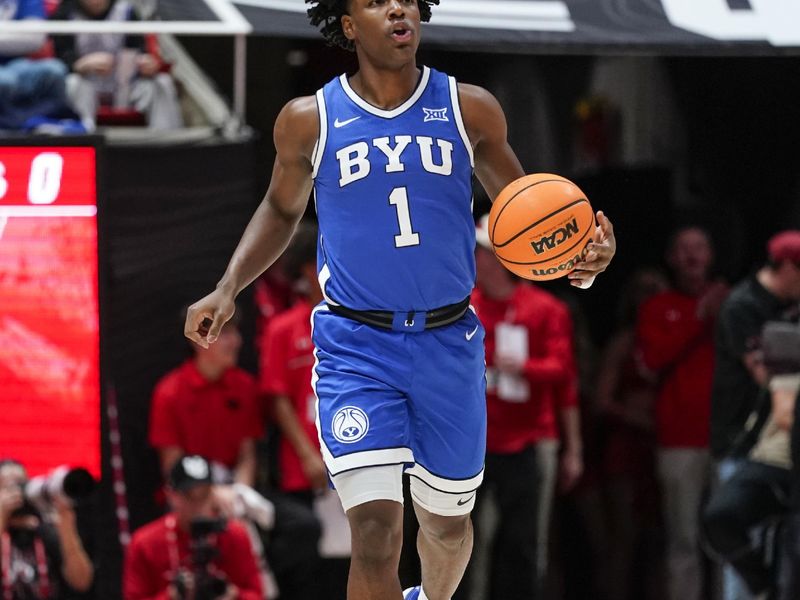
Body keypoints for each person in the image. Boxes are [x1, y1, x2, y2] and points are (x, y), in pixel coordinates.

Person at [183, 2, 617, 599]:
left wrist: (582, 264)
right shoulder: (310, 119)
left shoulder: (470, 109)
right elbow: (282, 209)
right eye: (376, 0)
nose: (397, 8)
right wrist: (228, 286)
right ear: (347, 23)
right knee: (376, 532)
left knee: (445, 526)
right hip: (356, 344)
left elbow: (531, 223)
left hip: (449, 340)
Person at [460, 214, 581, 600]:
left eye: (481, 253)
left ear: (498, 258)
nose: (474, 260)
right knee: (461, 541)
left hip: (527, 441)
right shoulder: (461, 308)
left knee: (524, 540)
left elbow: (564, 373)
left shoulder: (545, 309)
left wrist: (572, 449)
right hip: (471, 444)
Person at [636, 226, 728, 600]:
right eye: (684, 249)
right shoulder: (656, 308)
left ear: (711, 256)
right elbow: (652, 361)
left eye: (700, 248)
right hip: (678, 442)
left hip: (726, 439)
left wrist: (721, 314)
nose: (692, 256)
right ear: (672, 258)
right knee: (683, 540)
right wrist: (699, 318)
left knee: (728, 538)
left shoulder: (732, 305)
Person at [260, 220, 350, 600]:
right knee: (310, 566)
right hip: (304, 471)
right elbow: (278, 399)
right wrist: (308, 455)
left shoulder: (354, 323)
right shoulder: (283, 329)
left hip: (353, 463)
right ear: (304, 270)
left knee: (351, 564)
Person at [709, 230, 800, 600]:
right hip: (746, 441)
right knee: (734, 527)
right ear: (789, 267)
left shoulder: (789, 309)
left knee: (785, 544)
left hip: (784, 450)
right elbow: (771, 382)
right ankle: (760, 590)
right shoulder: (743, 306)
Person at [595, 268, 668, 600]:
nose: (649, 296)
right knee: (624, 538)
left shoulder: (672, 337)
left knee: (660, 539)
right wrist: (637, 418)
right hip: (626, 446)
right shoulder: (624, 342)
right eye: (642, 289)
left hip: (664, 443)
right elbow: (602, 400)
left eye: (656, 288)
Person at [123, 455, 263, 600]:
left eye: (204, 495)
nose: (199, 505)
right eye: (190, 496)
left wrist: (233, 595)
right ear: (171, 495)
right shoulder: (145, 542)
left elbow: (257, 595)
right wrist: (171, 596)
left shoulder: (234, 534)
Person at [150, 311, 263, 489]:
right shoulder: (169, 393)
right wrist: (212, 497)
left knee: (298, 517)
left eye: (235, 332)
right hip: (190, 493)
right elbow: (172, 467)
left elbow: (247, 455)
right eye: (225, 333)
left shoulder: (245, 385)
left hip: (235, 491)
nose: (236, 341)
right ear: (197, 340)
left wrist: (241, 493)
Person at [51, 0, 183, 130]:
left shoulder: (126, 11)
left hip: (125, 88)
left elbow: (140, 50)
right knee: (72, 83)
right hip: (86, 88)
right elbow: (57, 65)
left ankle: (167, 143)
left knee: (162, 82)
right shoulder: (64, 14)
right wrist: (79, 65)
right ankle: (81, 139)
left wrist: (146, 64)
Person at [0, 459, 94, 599]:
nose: (17, 492)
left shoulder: (45, 532)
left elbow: (81, 582)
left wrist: (67, 527)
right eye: (10, 486)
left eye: (22, 484)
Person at [0, 0, 71, 130]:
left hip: (17, 64)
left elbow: (35, 39)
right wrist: (16, 34)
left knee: (55, 71)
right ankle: (10, 127)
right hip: (7, 74)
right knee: (5, 82)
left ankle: (38, 124)